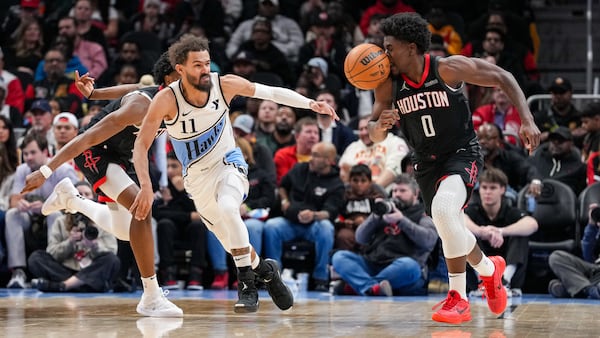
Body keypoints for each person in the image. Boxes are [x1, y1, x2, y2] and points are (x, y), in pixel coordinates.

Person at [130, 36, 337, 313]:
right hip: (198, 180)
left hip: (229, 163)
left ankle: (246, 284)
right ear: (179, 69)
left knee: (230, 207)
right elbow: (141, 145)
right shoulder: (166, 100)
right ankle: (266, 271)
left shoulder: (223, 84)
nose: (205, 69)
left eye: (206, 63)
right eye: (197, 65)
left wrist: (310, 104)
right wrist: (145, 185)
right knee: (233, 244)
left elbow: (271, 93)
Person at [370, 13, 540, 324]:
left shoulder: (447, 68)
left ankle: (458, 297)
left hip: (461, 153)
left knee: (447, 212)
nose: (384, 54)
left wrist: (527, 119)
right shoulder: (387, 84)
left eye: (389, 47)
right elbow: (373, 131)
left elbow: (504, 76)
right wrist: (378, 126)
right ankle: (490, 270)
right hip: (424, 163)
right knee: (450, 226)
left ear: (411, 48)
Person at [20, 53, 183, 317]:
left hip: (125, 155)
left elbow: (132, 88)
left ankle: (72, 200)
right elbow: (88, 137)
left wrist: (95, 94)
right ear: (171, 78)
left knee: (124, 231)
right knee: (142, 209)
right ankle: (151, 296)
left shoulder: (168, 98)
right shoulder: (141, 107)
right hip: (96, 149)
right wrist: (46, 169)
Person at [331, 174, 438, 296]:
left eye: (402, 191)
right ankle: (372, 287)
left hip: (399, 268)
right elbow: (360, 238)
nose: (397, 194)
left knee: (410, 267)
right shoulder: (385, 210)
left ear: (415, 194)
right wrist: (375, 216)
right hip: (373, 263)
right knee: (339, 257)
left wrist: (401, 221)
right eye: (394, 191)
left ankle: (360, 286)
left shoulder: (423, 214)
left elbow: (428, 241)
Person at [264, 142, 345, 291]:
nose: (310, 158)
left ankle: (320, 277)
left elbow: (330, 212)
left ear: (328, 160)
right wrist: (284, 200)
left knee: (327, 228)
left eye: (315, 155)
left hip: (314, 225)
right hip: (291, 222)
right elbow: (282, 186)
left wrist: (314, 215)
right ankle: (273, 276)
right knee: (271, 226)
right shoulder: (299, 169)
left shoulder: (337, 184)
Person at [6, 132, 79, 289]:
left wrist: (47, 205)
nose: (28, 157)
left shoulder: (62, 169)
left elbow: (77, 200)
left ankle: (51, 266)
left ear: (45, 152)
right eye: (25, 154)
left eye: (33, 152)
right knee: (12, 214)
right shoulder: (22, 170)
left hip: (59, 219)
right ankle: (18, 272)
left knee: (53, 214)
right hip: (31, 220)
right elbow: (13, 199)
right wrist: (20, 204)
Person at [27, 181, 120, 292]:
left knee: (112, 260)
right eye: (79, 194)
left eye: (87, 194)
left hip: (91, 268)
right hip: (66, 270)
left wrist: (95, 246)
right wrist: (69, 242)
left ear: (93, 197)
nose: (83, 197)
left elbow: (112, 251)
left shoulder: (102, 221)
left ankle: (63, 286)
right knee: (36, 258)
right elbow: (51, 252)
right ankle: (80, 285)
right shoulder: (60, 222)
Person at [464, 168, 538, 296]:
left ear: (503, 190)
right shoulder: (473, 210)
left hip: (506, 267)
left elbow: (532, 224)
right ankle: (484, 282)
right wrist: (481, 231)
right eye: (484, 187)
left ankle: (504, 282)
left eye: (493, 188)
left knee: (520, 233)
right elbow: (459, 220)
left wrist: (500, 231)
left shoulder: (510, 211)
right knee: (466, 234)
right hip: (478, 274)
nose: (487, 192)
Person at [154, 151, 208, 291]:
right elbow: (158, 212)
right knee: (164, 224)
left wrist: (183, 192)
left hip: (189, 229)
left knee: (198, 226)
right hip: (170, 228)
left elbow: (200, 210)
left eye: (174, 166)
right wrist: (188, 216)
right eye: (167, 166)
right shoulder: (160, 185)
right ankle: (168, 273)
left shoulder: (194, 184)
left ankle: (196, 274)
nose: (169, 170)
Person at [548, 203, 600, 299]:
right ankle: (588, 289)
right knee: (556, 257)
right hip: (593, 269)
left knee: (555, 285)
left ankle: (574, 287)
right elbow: (587, 255)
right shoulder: (595, 229)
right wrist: (591, 226)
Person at [528, 126, 586, 195]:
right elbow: (526, 170)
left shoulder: (578, 167)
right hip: (535, 199)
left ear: (571, 144)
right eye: (553, 140)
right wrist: (535, 179)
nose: (556, 143)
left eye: (561, 140)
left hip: (562, 202)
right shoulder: (538, 158)